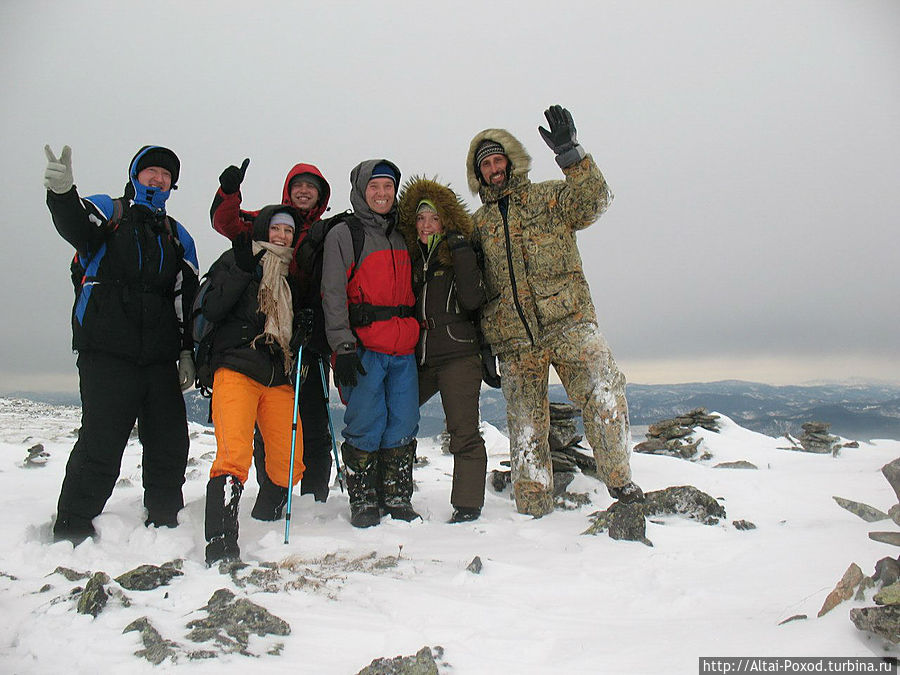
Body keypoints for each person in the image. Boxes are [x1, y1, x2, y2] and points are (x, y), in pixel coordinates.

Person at [465, 105, 643, 518]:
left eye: (498, 160)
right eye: (486, 164)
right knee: (526, 428)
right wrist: (484, 346)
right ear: (480, 173)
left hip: (570, 323)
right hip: (513, 341)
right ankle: (533, 508)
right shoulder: (477, 225)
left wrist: (571, 155)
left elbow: (595, 200)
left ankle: (619, 480)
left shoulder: (548, 198)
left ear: (512, 162)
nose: (494, 168)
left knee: (604, 393)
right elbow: (472, 287)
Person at [43, 144, 199, 543]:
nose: (158, 179)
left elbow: (185, 300)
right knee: (102, 439)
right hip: (107, 349)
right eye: (151, 172)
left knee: (169, 440)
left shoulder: (178, 236)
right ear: (135, 175)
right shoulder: (108, 212)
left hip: (160, 357)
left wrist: (186, 351)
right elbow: (75, 226)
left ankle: (165, 518)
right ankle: (73, 525)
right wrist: (62, 194)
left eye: (166, 176)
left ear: (172, 185)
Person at [210, 159, 334, 508]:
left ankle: (314, 497)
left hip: (311, 336)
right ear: (288, 190)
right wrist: (229, 193)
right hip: (269, 342)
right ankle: (271, 491)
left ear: (321, 195)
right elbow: (226, 222)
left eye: (312, 187)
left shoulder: (326, 232)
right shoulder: (266, 222)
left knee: (313, 418)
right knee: (271, 424)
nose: (305, 191)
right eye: (299, 185)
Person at [200, 206, 311, 564]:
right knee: (234, 455)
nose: (282, 236)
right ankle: (220, 541)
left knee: (289, 462)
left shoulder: (290, 277)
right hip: (235, 366)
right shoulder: (237, 260)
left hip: (276, 372)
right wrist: (240, 273)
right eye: (276, 228)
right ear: (264, 229)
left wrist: (307, 330)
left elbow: (292, 326)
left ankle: (267, 515)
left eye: (288, 231)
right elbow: (213, 309)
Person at [321, 160, 420, 528]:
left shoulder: (402, 234)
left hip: (403, 346)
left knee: (404, 420)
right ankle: (363, 499)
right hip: (364, 348)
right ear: (362, 190)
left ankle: (396, 496)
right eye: (374, 187)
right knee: (366, 421)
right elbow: (332, 293)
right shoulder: (346, 234)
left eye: (388, 187)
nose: (381, 194)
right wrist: (342, 346)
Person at [397, 177, 488, 523]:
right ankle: (395, 494)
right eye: (420, 218)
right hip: (419, 356)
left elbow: (473, 299)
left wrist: (461, 252)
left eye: (433, 218)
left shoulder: (459, 252)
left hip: (458, 355)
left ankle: (467, 505)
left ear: (446, 219)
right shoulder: (411, 257)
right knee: (398, 421)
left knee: (463, 431)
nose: (425, 225)